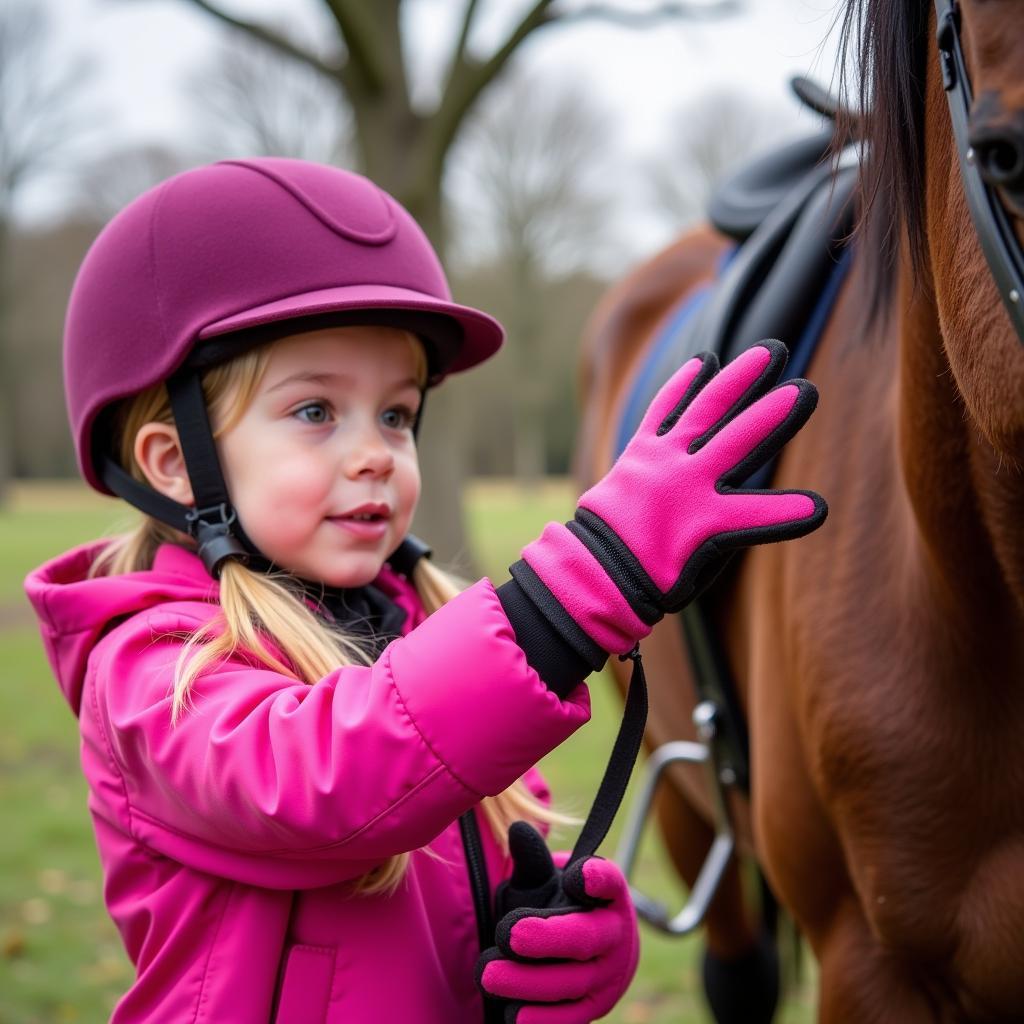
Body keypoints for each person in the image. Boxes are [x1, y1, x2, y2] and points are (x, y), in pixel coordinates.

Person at [25, 158, 827, 1023]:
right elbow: (325, 781)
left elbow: (458, 836)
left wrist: (568, 941)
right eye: (315, 412)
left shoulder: (420, 626)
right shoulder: (151, 667)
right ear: (177, 464)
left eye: (397, 413)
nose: (376, 452)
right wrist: (578, 588)